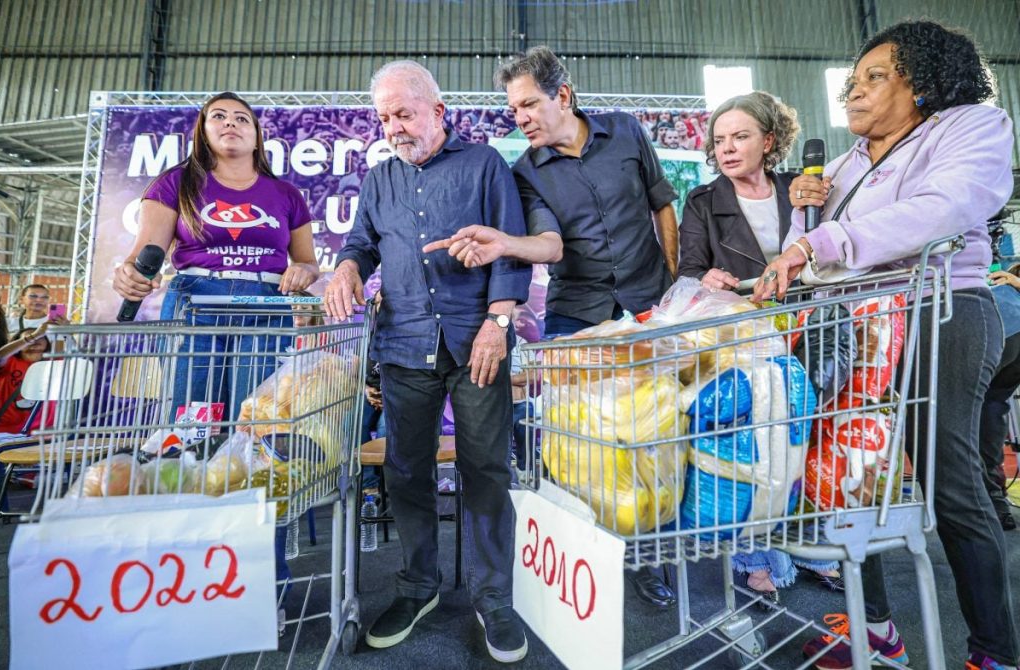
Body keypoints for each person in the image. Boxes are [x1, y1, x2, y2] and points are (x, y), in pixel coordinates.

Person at [753, 20, 1019, 670]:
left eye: (876, 77)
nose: (854, 91)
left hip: (940, 310)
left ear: (923, 83)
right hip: (855, 324)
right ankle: (874, 632)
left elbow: (945, 206)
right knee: (847, 477)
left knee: (948, 479)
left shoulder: (971, 127)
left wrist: (822, 240)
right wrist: (803, 214)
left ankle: (995, 652)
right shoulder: (842, 165)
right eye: (852, 81)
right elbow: (808, 257)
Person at [423, 45, 680, 609]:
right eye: (513, 109)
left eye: (528, 105)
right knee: (576, 448)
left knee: (652, 437)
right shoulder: (524, 172)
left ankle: (648, 559)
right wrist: (505, 243)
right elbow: (550, 245)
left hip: (649, 308)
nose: (520, 118)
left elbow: (662, 204)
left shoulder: (626, 132)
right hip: (576, 316)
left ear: (562, 95)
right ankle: (584, 561)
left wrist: (671, 283)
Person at [323, 60, 532, 663]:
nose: (393, 127)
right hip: (403, 342)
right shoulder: (380, 179)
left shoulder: (484, 164)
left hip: (476, 342)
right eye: (384, 118)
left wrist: (498, 322)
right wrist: (346, 268)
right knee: (405, 470)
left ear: (438, 111)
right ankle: (418, 587)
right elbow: (362, 243)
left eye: (404, 114)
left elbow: (510, 249)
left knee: (485, 469)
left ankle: (494, 598)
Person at [679, 91, 844, 602]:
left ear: (769, 141)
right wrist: (706, 278)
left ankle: (812, 542)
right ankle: (756, 556)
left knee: (812, 439)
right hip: (747, 338)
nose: (727, 148)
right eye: (719, 140)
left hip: (811, 327)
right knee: (758, 445)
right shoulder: (703, 202)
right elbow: (688, 272)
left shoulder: (800, 188)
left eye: (740, 136)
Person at [111, 91, 320, 423]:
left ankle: (241, 460)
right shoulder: (174, 183)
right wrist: (130, 274)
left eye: (241, 119)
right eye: (219, 116)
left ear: (257, 137)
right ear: (203, 131)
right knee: (192, 419)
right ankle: (188, 457)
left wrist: (304, 271)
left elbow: (308, 261)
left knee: (253, 418)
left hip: (266, 307)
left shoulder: (287, 194)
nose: (230, 123)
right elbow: (142, 255)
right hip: (195, 304)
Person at [984, 264, 1020, 531]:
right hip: (1009, 332)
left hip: (1005, 329)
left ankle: (991, 502)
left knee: (983, 408)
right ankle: (995, 503)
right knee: (991, 407)